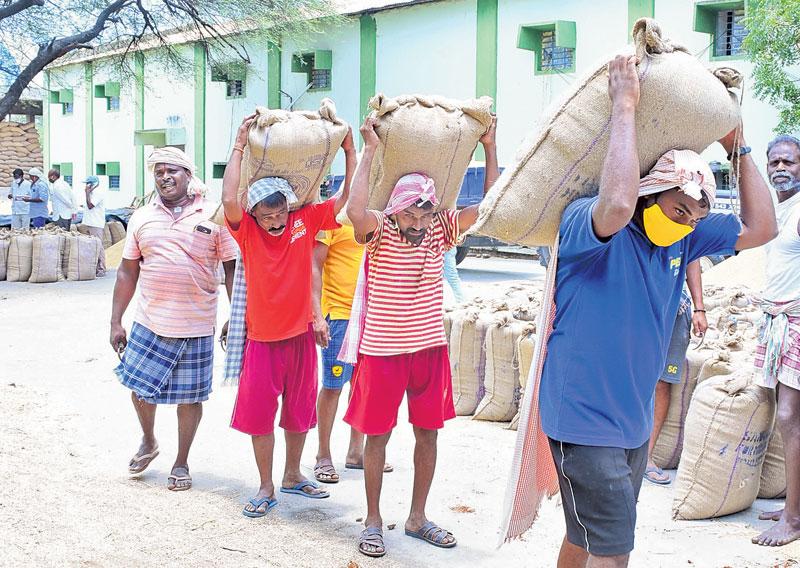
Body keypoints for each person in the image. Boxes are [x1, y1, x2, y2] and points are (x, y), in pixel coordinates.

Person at [539, 55, 776, 568]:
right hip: (583, 421)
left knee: (585, 537)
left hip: (630, 424)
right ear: (650, 191)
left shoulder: (681, 242)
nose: (686, 221)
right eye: (678, 209)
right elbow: (618, 205)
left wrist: (739, 147)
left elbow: (762, 228)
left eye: (695, 216)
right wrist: (625, 107)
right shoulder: (592, 226)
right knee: (614, 550)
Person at [344, 114, 498, 558]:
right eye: (409, 210)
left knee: (428, 434)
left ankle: (417, 517)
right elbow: (354, 211)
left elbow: (487, 207)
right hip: (382, 351)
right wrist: (369, 150)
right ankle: (373, 520)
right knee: (377, 437)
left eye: (424, 210)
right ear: (396, 209)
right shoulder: (380, 230)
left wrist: (488, 146)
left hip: (429, 347)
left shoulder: (441, 231)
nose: (417, 219)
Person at [222, 113, 355, 518]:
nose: (276, 222)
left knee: (299, 412)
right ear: (256, 215)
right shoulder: (246, 230)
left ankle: (294, 474)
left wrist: (350, 150)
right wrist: (240, 143)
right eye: (267, 215)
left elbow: (346, 201)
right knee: (261, 415)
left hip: (300, 337)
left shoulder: (304, 220)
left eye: (279, 213)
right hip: (261, 340)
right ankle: (266, 485)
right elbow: (229, 199)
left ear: (288, 208)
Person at [111, 147, 237, 492]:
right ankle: (149, 440)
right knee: (139, 388)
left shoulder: (213, 214)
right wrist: (116, 321)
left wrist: (235, 315)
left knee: (190, 397)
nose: (165, 178)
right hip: (149, 320)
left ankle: (181, 461)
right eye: (158, 172)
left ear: (187, 175)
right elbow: (126, 272)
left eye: (172, 171)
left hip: (196, 322)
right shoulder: (141, 216)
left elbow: (231, 268)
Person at [311, 224, 395, 484]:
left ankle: (356, 452)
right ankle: (323, 456)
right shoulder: (332, 218)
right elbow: (315, 265)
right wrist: (317, 315)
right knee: (333, 386)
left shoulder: (377, 215)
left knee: (363, 386)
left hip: (372, 314)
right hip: (338, 315)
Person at [752, 134, 800, 548]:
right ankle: (793, 504)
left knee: (788, 416)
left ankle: (794, 520)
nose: (781, 168)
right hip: (776, 319)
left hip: (796, 321)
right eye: (775, 162)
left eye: (790, 162)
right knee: (782, 414)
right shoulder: (778, 210)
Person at [644, 260, 707, 485]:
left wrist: (699, 308)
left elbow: (692, 258)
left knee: (662, 382)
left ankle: (646, 457)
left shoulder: (685, 227)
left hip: (674, 305)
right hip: (638, 299)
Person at [81, 176, 107, 277]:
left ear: (94, 184)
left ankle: (101, 268)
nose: (86, 186)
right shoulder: (91, 193)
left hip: (96, 223)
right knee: (93, 246)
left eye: (88, 184)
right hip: (90, 222)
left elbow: (90, 205)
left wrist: (87, 193)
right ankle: (96, 268)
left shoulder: (98, 193)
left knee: (98, 246)